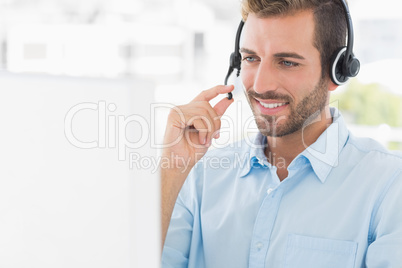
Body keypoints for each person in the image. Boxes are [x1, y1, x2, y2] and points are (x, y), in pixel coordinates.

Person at [160, 0, 402, 267]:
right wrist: (172, 167)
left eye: (287, 62)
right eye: (251, 58)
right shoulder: (200, 178)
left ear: (337, 70)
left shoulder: (389, 188)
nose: (261, 85)